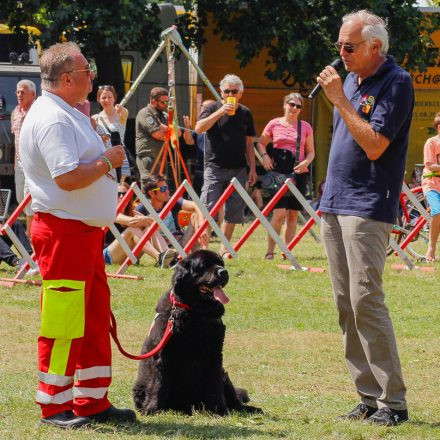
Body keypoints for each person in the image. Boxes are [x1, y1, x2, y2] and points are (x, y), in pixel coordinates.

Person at [19, 42, 135, 429]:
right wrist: (108, 160)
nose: (93, 77)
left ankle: (92, 400)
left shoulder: (67, 112)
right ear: (67, 78)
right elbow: (67, 178)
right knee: (65, 321)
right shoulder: (52, 119)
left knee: (94, 317)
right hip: (63, 232)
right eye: (87, 72)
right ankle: (54, 404)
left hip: (81, 232)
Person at [317, 10, 413, 426]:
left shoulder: (397, 82)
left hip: (368, 203)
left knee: (366, 300)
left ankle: (394, 401)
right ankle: (368, 397)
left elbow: (375, 145)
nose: (341, 54)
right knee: (345, 304)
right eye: (339, 45)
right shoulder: (352, 81)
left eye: (349, 46)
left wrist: (339, 100)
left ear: (376, 46)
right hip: (335, 201)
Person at [195, 74, 256, 255]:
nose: (230, 94)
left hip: (238, 167)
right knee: (208, 207)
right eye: (226, 91)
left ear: (240, 93)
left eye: (234, 91)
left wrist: (252, 168)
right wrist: (221, 112)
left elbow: (249, 143)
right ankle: (205, 250)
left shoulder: (245, 112)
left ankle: (224, 249)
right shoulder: (213, 108)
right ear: (221, 93)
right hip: (214, 166)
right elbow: (198, 128)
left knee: (233, 210)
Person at [257, 92, 315, 259]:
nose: (294, 108)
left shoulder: (305, 127)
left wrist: (306, 163)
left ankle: (287, 251)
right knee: (279, 213)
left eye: (298, 106)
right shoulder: (274, 124)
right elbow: (261, 143)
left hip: (298, 173)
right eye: (291, 104)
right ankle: (270, 251)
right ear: (284, 105)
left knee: (293, 214)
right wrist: (265, 156)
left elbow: (311, 153)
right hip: (278, 173)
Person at [103, 182, 178, 268]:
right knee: (133, 230)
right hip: (107, 256)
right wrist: (146, 219)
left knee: (149, 229)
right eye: (118, 194)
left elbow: (157, 225)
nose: (121, 196)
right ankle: (159, 257)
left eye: (125, 194)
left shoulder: (132, 213)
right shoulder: (109, 213)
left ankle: (169, 258)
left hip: (127, 255)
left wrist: (146, 220)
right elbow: (131, 222)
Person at [135, 174, 209, 251]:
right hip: (161, 247)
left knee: (195, 216)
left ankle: (202, 253)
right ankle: (167, 255)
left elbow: (196, 205)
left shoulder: (171, 201)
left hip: (180, 242)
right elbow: (135, 232)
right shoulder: (142, 208)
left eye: (167, 188)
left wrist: (201, 227)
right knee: (147, 229)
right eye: (163, 189)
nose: (167, 191)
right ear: (151, 193)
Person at [11, 79, 36, 237]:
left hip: (32, 163)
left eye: (23, 92)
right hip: (19, 163)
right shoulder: (15, 111)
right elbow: (16, 139)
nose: (19, 94)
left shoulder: (36, 112)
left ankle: (31, 236)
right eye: (17, 91)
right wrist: (15, 161)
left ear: (33, 95)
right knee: (21, 198)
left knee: (28, 198)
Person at [92, 85, 131, 183]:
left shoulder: (121, 114)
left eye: (109, 97)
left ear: (114, 98)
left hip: (119, 156)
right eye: (103, 98)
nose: (107, 100)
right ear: (98, 100)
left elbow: (125, 112)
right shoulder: (95, 118)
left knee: (119, 188)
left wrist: (121, 108)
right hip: (103, 157)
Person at [135, 87, 169, 185]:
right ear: (154, 101)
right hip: (148, 157)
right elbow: (158, 134)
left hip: (161, 158)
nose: (166, 105)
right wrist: (168, 130)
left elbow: (178, 133)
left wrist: (165, 128)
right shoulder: (145, 113)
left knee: (161, 190)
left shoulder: (164, 115)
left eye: (167, 102)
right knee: (150, 188)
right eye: (163, 102)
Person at [421, 111, 440, 262]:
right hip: (432, 183)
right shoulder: (431, 143)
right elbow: (430, 166)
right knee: (437, 210)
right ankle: (431, 247)